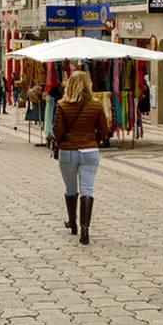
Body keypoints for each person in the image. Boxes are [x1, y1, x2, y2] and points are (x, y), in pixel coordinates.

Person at [52, 71, 110, 245]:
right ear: (88, 84)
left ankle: (73, 223)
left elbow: (57, 131)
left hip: (68, 151)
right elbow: (104, 130)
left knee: (70, 188)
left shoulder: (62, 105)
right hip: (90, 151)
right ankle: (85, 229)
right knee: (87, 189)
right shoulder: (96, 105)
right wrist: (94, 140)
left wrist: (64, 141)